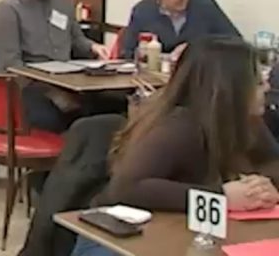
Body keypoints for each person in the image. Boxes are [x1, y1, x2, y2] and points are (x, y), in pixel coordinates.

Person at [71, 36, 279, 256]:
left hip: (182, 232)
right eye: (257, 82)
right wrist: (221, 196)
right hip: (116, 240)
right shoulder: (178, 126)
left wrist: (262, 185)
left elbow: (273, 161)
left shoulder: (246, 120)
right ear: (230, 89)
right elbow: (126, 188)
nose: (267, 87)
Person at [0, 0, 109, 133]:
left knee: (103, 114)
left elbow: (76, 37)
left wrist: (94, 47)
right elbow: (11, 65)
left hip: (65, 80)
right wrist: (53, 92)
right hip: (26, 87)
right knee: (58, 119)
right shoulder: (7, 8)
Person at [120, 0, 240, 60]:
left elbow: (236, 43)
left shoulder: (206, 6)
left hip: (199, 79)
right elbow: (127, 54)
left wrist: (196, 49)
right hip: (156, 80)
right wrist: (146, 56)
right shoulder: (142, 12)